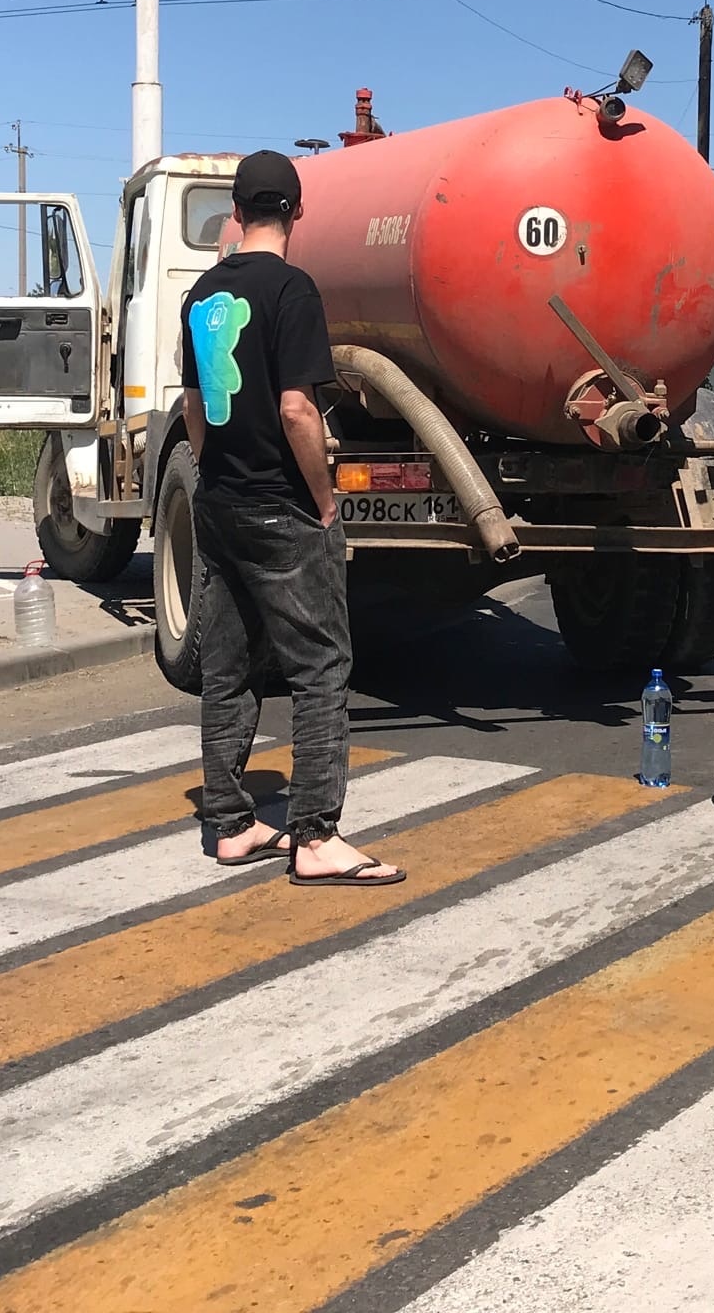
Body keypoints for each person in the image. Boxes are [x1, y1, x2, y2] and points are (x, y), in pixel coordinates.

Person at [181, 148, 403, 886]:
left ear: (235, 213)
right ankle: (314, 836)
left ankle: (231, 823)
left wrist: (216, 466)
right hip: (281, 505)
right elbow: (298, 408)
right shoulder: (295, 292)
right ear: (297, 213)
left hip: (218, 502)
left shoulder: (202, 295)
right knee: (320, 666)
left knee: (229, 666)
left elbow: (194, 407)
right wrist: (325, 497)